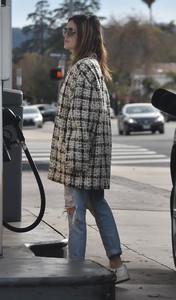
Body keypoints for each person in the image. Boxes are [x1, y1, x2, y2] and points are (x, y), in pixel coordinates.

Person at [48, 14, 130, 284]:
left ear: (83, 36)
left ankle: (76, 274)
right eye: (65, 29)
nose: (65, 34)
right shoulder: (93, 66)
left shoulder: (83, 68)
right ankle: (117, 265)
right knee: (98, 205)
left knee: (75, 214)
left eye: (70, 31)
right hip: (90, 159)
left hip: (79, 159)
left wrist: (73, 163)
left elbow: (82, 121)